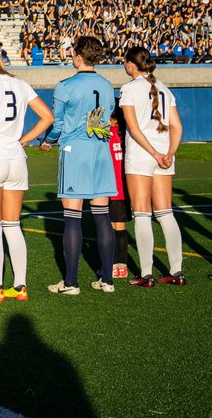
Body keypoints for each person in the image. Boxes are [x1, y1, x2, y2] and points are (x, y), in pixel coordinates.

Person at [0, 46, 52, 303]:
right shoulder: (20, 83)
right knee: (13, 225)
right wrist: (24, 139)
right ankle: (20, 286)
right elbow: (47, 117)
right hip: (16, 158)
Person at [40, 37, 118, 295]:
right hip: (101, 150)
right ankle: (107, 280)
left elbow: (58, 123)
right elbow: (105, 118)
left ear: (77, 56)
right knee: (102, 216)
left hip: (75, 152)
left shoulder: (65, 86)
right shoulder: (107, 86)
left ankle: (71, 283)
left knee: (72, 217)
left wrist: (48, 140)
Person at [120, 47, 185, 287]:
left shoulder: (128, 89)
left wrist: (156, 153)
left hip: (141, 155)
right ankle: (176, 271)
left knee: (142, 213)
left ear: (130, 65)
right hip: (162, 156)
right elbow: (177, 126)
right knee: (165, 212)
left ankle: (146, 274)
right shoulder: (165, 89)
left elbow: (134, 129)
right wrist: (168, 153)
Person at [106, 109, 130, 280]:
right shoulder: (126, 134)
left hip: (110, 187)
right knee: (120, 226)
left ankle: (112, 266)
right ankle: (122, 267)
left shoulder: (107, 134)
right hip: (126, 187)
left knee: (111, 227)